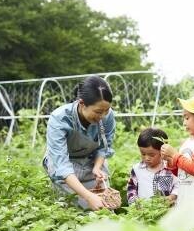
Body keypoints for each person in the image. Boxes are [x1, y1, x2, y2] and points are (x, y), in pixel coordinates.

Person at [43, 75, 116, 210]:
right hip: (66, 169)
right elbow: (62, 166)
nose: (103, 116)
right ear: (82, 103)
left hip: (90, 161)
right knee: (74, 210)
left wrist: (97, 167)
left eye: (106, 111)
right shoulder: (59, 119)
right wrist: (88, 197)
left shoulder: (107, 115)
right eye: (98, 111)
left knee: (105, 207)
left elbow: (104, 146)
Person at [126, 127, 178, 205]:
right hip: (144, 212)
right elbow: (131, 189)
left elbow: (178, 185)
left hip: (167, 211)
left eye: (151, 155)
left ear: (162, 152)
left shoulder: (170, 168)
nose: (147, 158)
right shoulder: (137, 169)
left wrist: (172, 196)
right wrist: (135, 204)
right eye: (143, 154)